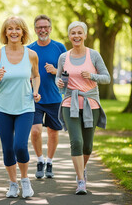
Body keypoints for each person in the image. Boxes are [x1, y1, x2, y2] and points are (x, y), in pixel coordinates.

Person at [0, 16, 41, 198]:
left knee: (20, 146)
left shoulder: (31, 55)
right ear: (5, 32)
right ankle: (12, 183)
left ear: (23, 32)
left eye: (18, 29)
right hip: (3, 108)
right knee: (8, 148)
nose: (14, 32)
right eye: (10, 29)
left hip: (25, 107)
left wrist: (36, 91)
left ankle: (25, 180)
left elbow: (36, 76)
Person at [56, 21, 110, 195]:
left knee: (87, 146)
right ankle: (81, 180)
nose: (76, 36)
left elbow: (107, 78)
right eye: (73, 33)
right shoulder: (63, 57)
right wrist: (58, 84)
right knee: (76, 142)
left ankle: (82, 169)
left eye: (80, 33)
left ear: (85, 35)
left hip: (90, 104)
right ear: (69, 36)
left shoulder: (93, 55)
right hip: (69, 103)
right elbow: (60, 82)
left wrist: (92, 76)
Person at [27, 15, 67, 179]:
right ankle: (40, 160)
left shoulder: (59, 47)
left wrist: (55, 70)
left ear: (50, 28)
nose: (42, 30)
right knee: (35, 131)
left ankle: (50, 161)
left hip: (55, 99)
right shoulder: (28, 49)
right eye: (39, 27)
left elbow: (68, 74)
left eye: (45, 27)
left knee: (53, 132)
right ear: (35, 29)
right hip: (35, 97)